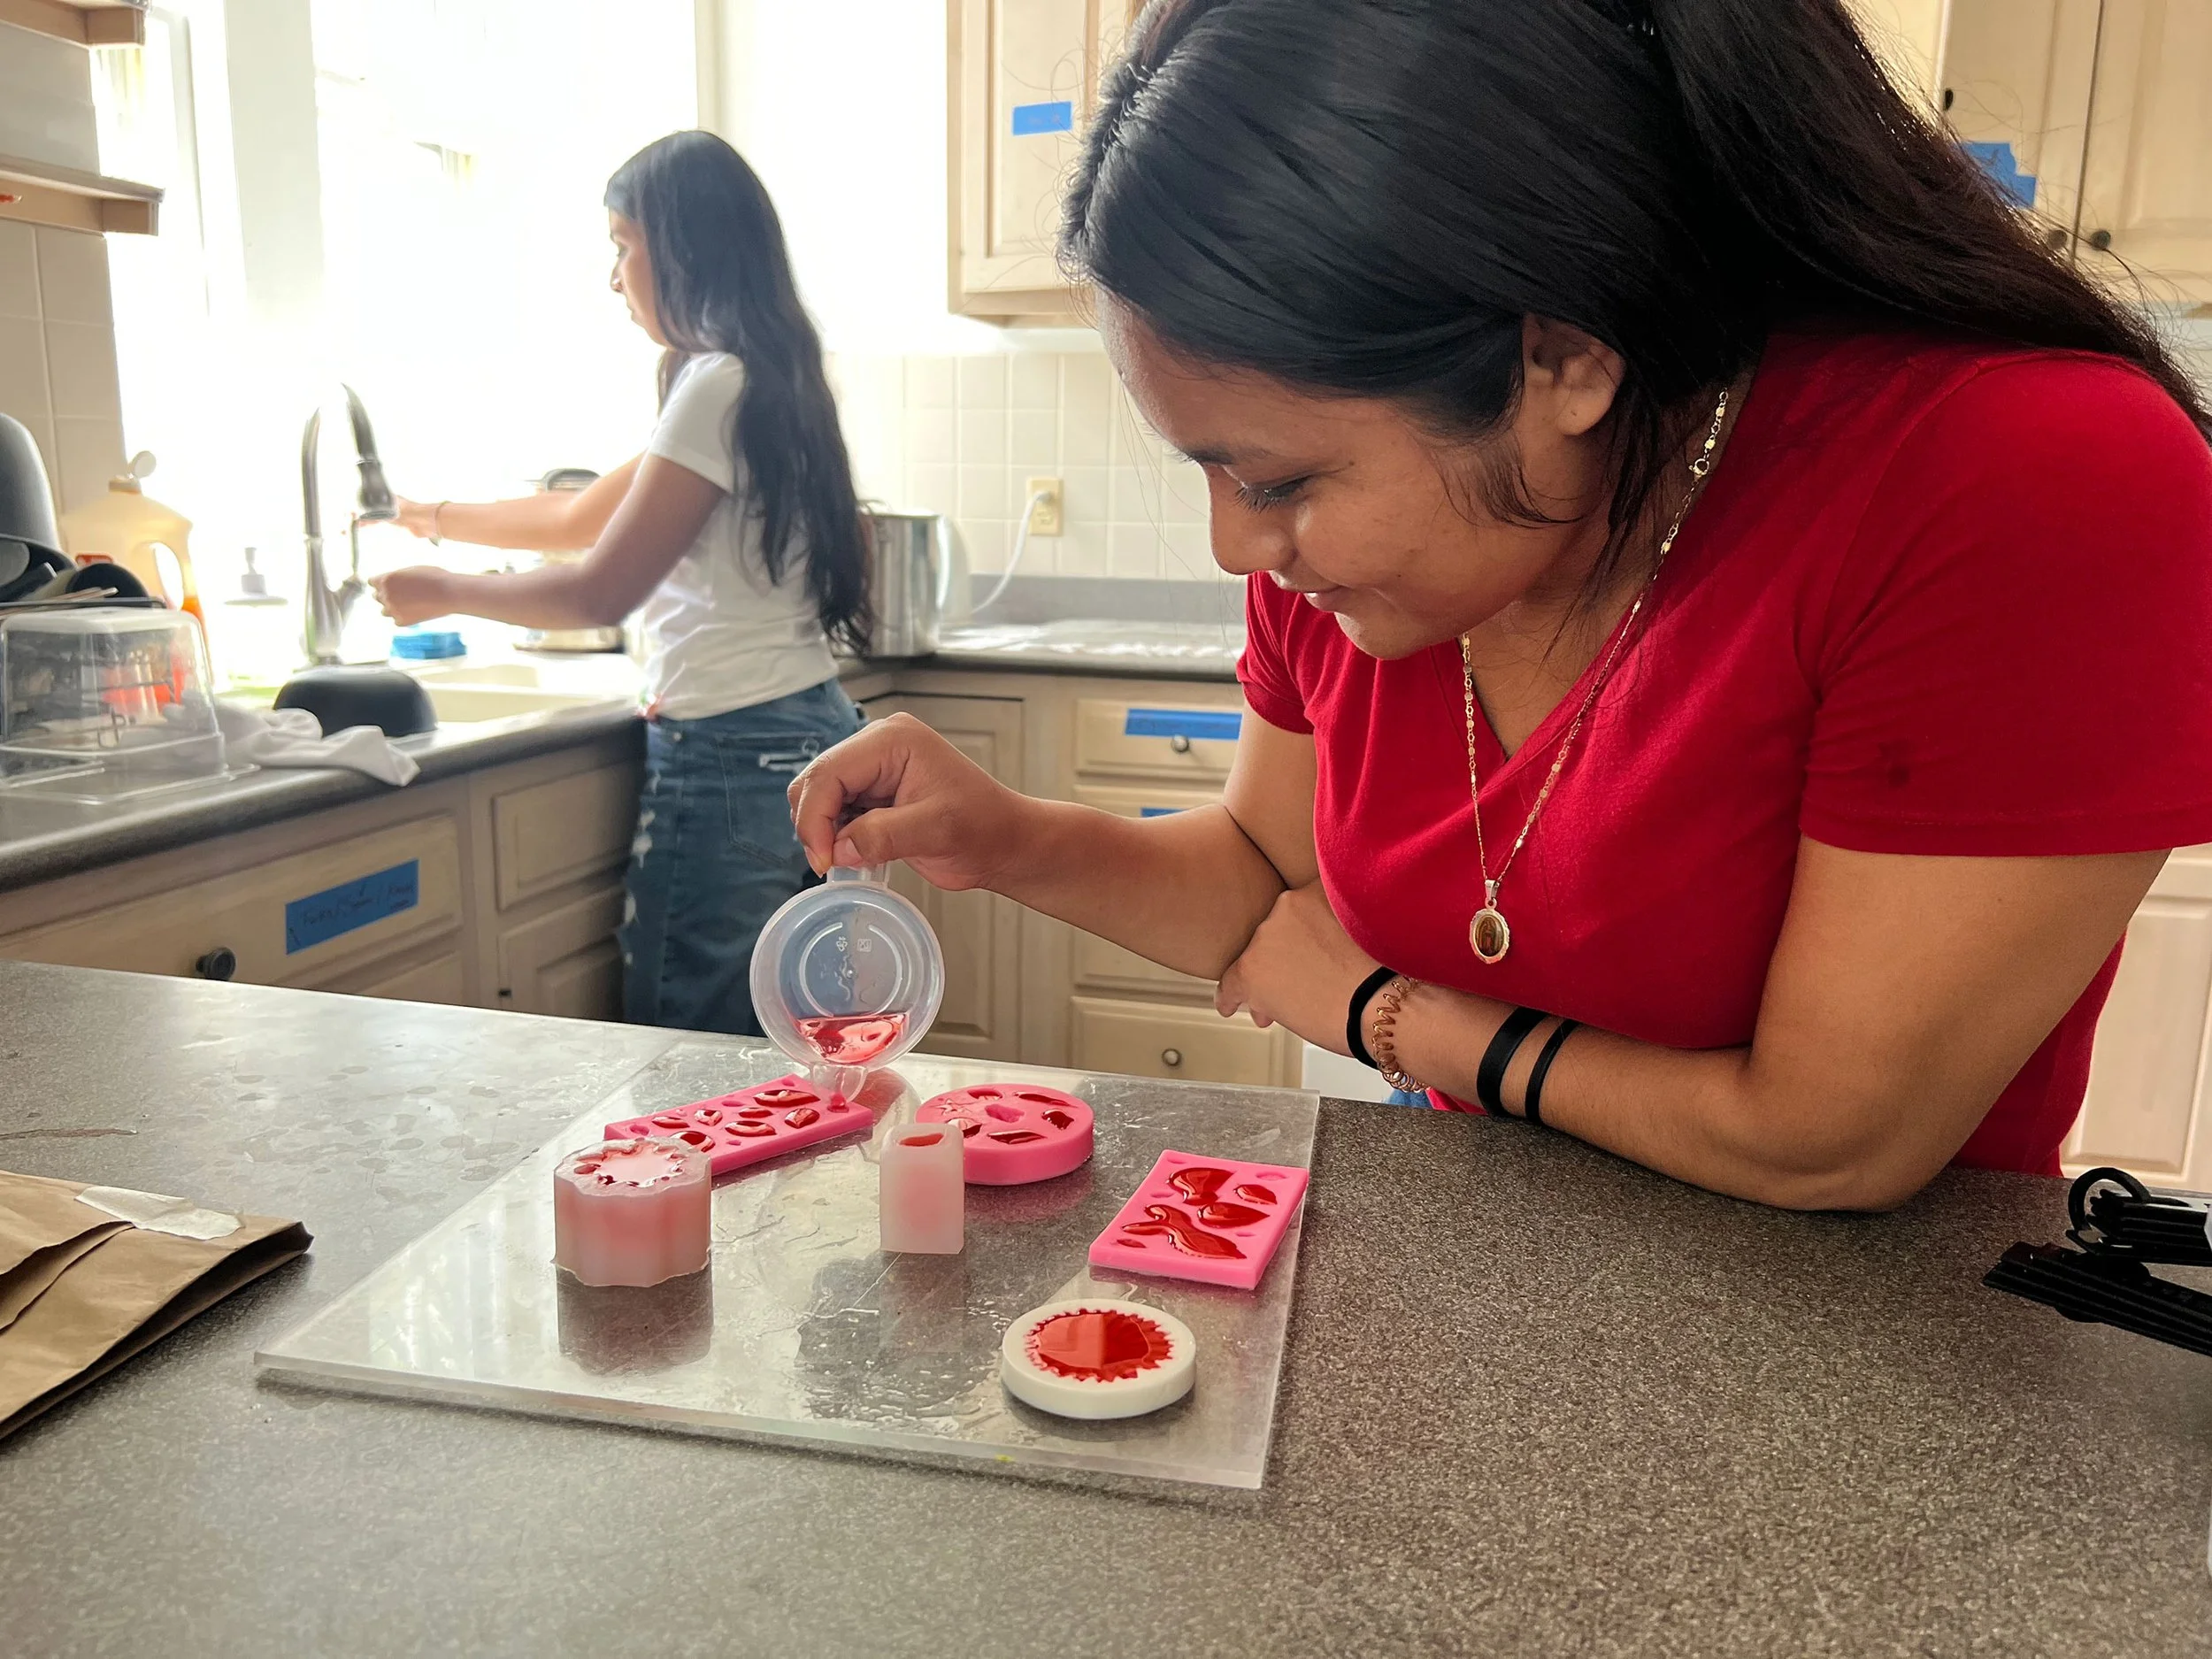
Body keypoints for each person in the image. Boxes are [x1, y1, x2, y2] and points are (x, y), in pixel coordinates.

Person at [789, 0, 2212, 1210]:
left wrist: (1388, 1017)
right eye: (1211, 471)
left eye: (1278, 476)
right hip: (1476, 1267)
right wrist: (1008, 838)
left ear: (1566, 361)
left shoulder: (2023, 479)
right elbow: (1254, 880)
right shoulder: (1362, 571)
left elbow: (1831, 1134)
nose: (1239, 544)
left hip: (1858, 1355)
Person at [374, 130, 870, 1035]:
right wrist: (432, 514)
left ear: (679, 246)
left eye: (621, 245)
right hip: (803, 729)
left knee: (694, 1041)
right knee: (796, 1036)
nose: (614, 277)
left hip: (730, 747)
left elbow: (597, 592)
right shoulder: (769, 377)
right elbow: (576, 517)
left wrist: (441, 589)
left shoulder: (715, 383)